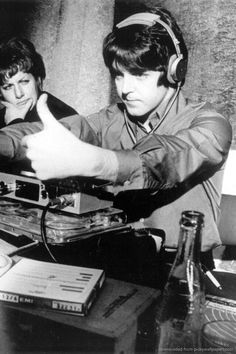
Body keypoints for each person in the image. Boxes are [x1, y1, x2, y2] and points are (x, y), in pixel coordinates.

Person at [0, 6, 232, 279]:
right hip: (119, 259)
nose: (125, 88)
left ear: (174, 70)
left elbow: (167, 158)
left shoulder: (211, 125)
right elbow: (68, 127)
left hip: (181, 269)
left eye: (139, 74)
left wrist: (96, 162)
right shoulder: (112, 118)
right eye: (119, 75)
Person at [0, 36, 77, 128]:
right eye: (8, 87)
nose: (19, 94)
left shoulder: (64, 118)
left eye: (24, 82)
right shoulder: (5, 114)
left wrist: (14, 123)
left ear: (38, 80)